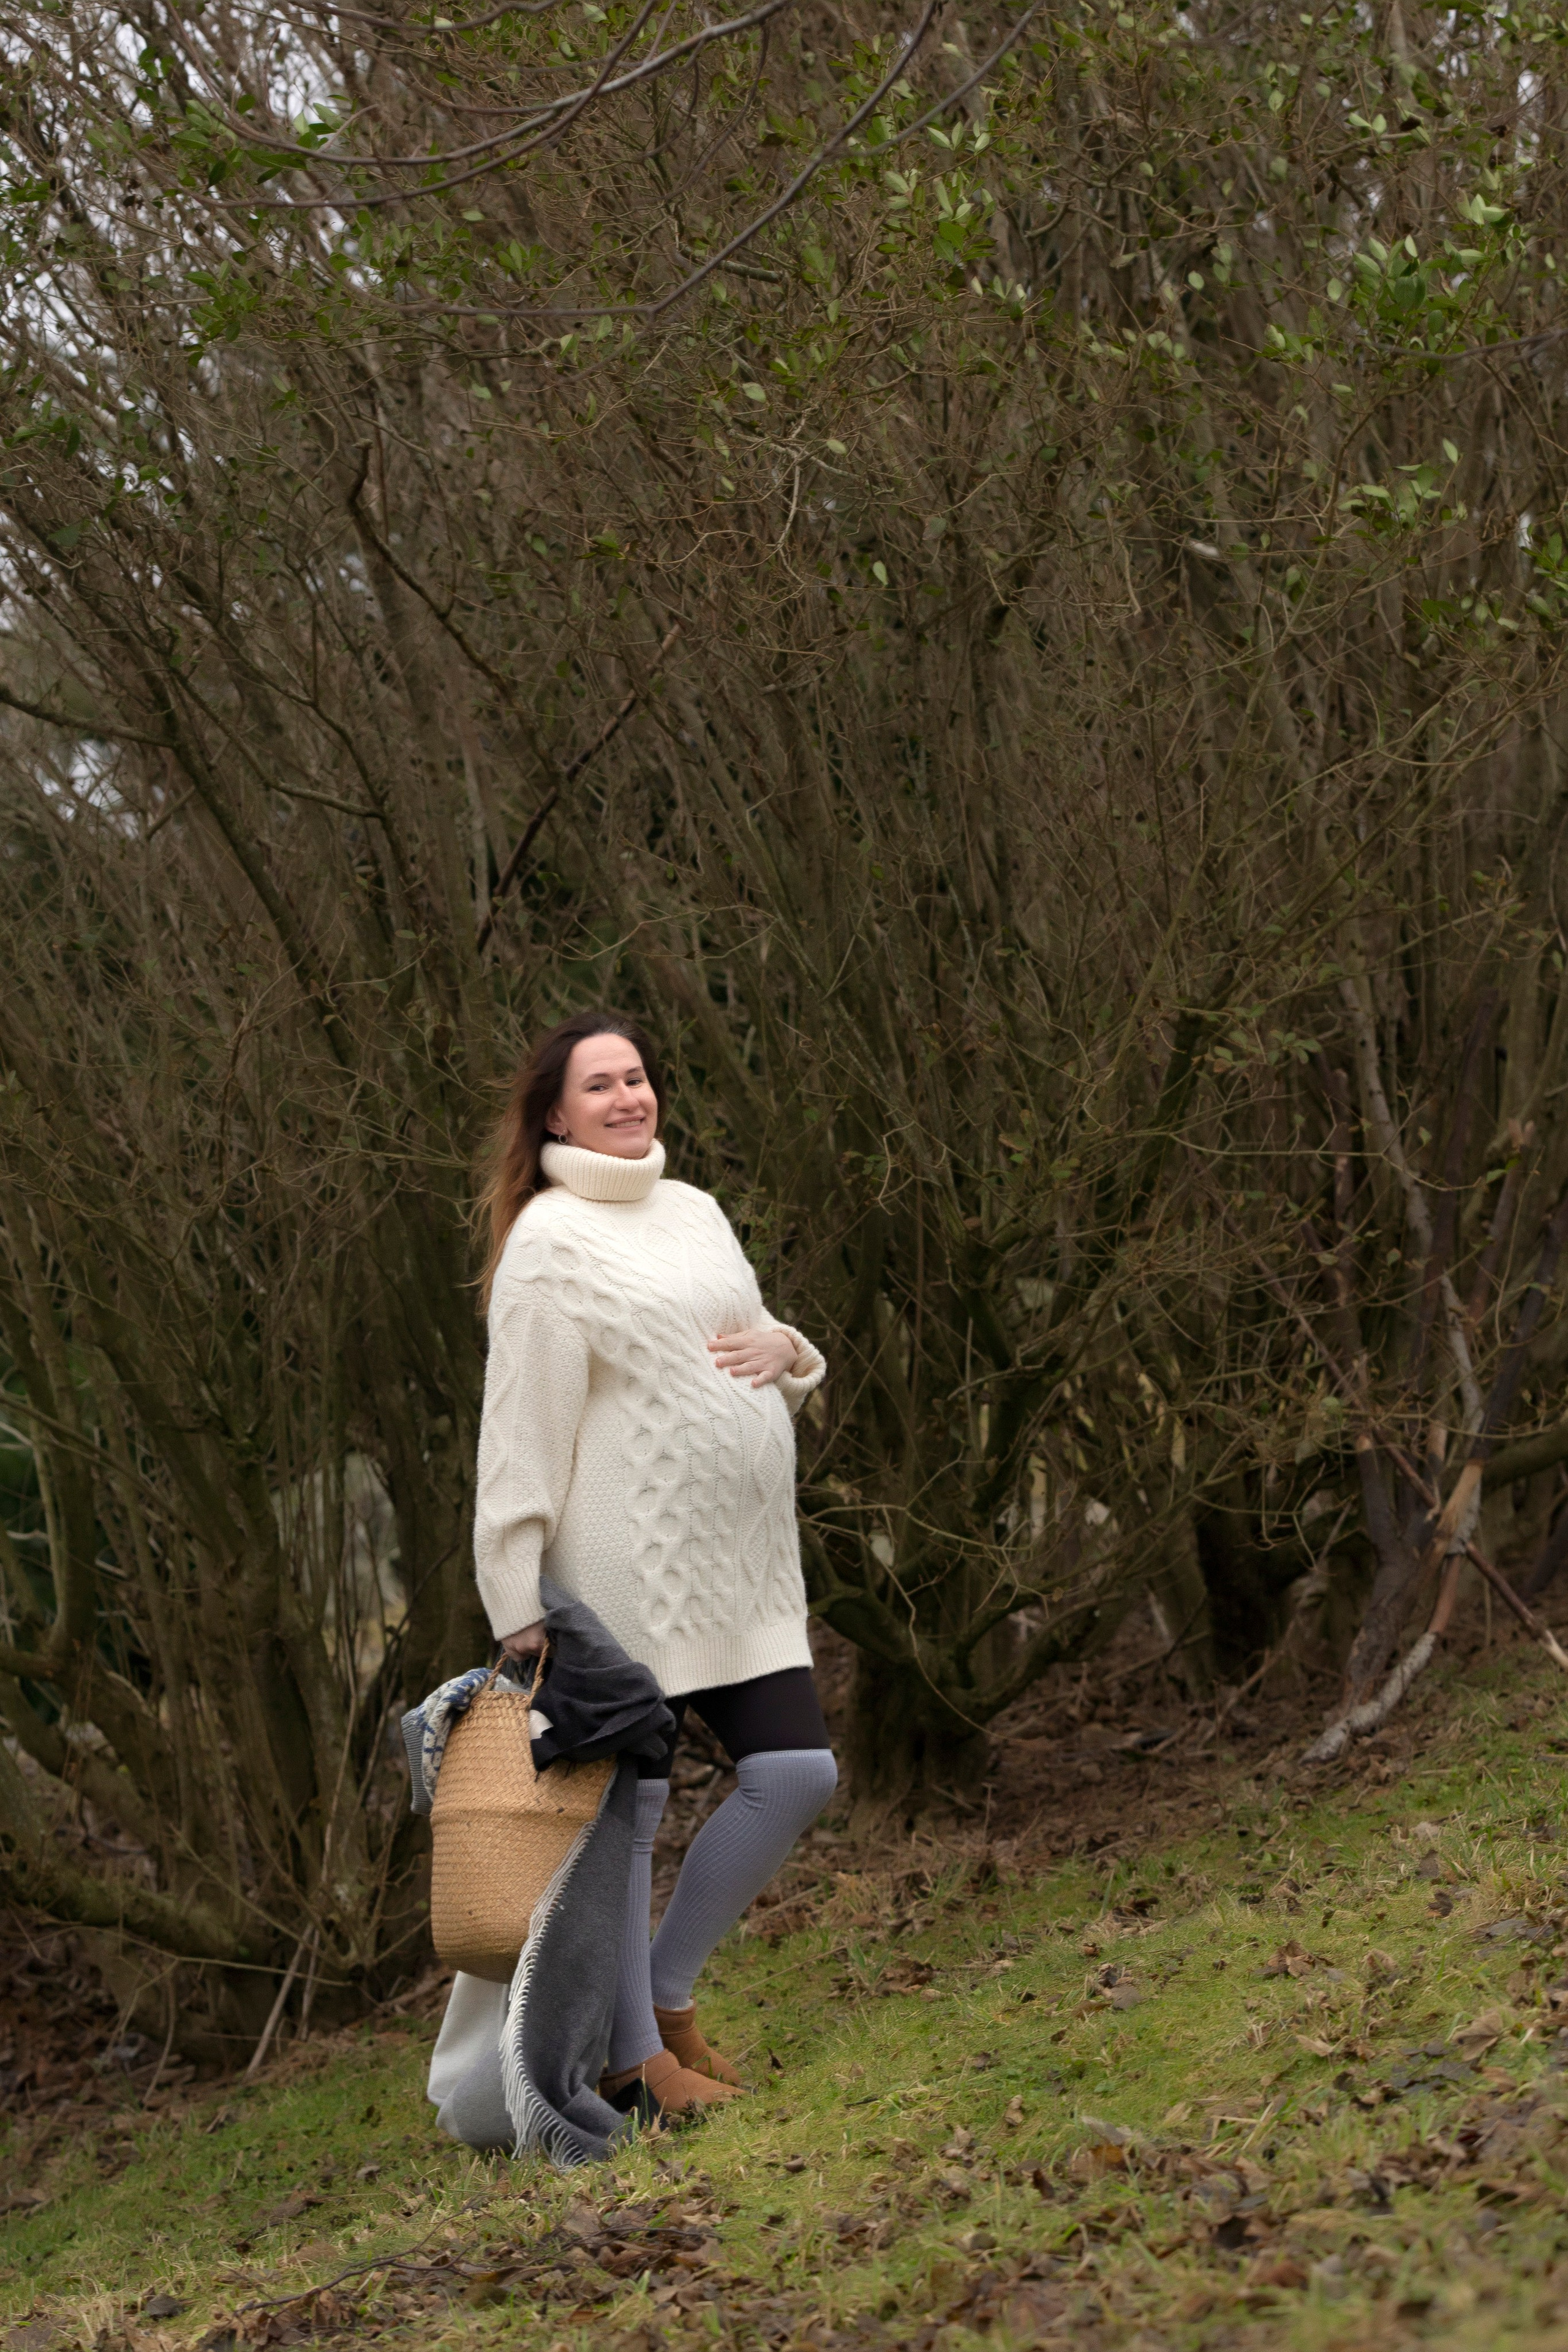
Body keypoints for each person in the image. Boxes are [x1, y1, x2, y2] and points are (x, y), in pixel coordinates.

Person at [473, 1009, 839, 2117]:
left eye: (638, 1079)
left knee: (795, 1776)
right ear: (555, 1113)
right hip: (627, 1574)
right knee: (629, 1818)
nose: (630, 1099)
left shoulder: (695, 1211)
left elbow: (755, 1334)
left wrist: (794, 1353)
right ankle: (636, 2063)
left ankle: (666, 1998)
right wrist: (514, 1591)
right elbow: (520, 1426)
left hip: (744, 1572)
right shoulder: (547, 1242)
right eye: (601, 1086)